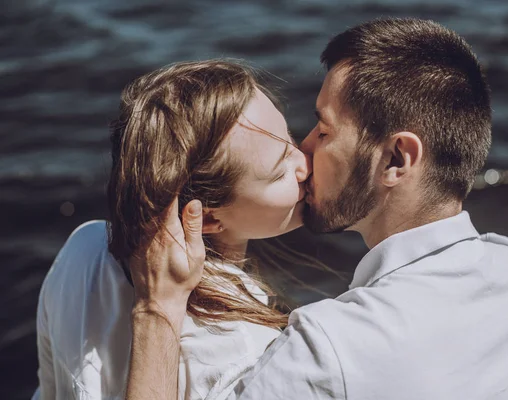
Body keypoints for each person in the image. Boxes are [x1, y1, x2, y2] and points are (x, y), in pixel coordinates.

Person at [126, 18, 508, 399]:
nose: (303, 148)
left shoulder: (326, 351)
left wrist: (157, 311)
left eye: (323, 130)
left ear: (396, 160)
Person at [32, 60, 315, 399]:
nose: (304, 164)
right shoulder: (242, 351)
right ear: (207, 219)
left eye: (290, 140)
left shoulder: (82, 247)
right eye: (279, 171)